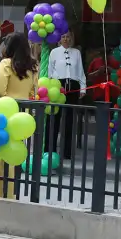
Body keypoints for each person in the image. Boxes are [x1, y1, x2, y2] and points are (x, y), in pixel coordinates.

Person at [46, 30, 85, 159]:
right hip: (58, 86)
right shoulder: (54, 52)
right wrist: (51, 86)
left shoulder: (76, 53)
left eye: (68, 37)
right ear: (59, 39)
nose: (66, 39)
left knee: (69, 120)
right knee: (54, 119)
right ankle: (49, 150)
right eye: (63, 37)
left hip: (73, 86)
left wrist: (83, 88)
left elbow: (80, 71)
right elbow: (50, 71)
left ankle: (67, 152)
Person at [0, 32, 37, 100]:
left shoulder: (6, 63)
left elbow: (0, 91)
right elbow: (33, 92)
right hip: (25, 105)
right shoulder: (33, 66)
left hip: (6, 105)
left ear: (9, 47)